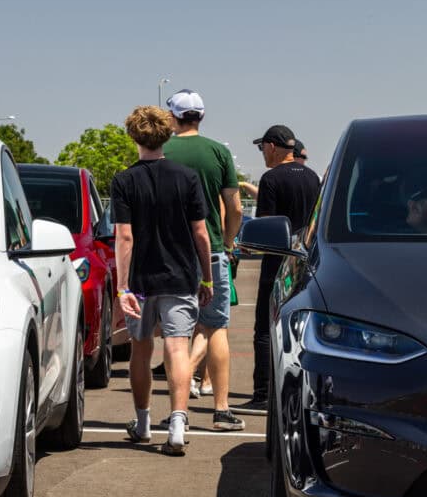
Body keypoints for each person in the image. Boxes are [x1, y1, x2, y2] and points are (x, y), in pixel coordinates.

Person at [112, 106, 213, 456]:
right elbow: (201, 233)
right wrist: (208, 278)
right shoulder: (186, 178)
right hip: (180, 275)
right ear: (166, 135)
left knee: (141, 350)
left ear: (134, 136)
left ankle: (142, 424)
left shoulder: (124, 181)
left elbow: (124, 238)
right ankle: (177, 425)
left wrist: (122, 287)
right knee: (177, 347)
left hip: (140, 279)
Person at [162, 89, 245, 431]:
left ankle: (177, 408)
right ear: (202, 117)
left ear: (173, 117)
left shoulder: (162, 150)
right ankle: (221, 409)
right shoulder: (219, 152)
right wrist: (226, 242)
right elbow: (236, 208)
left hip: (170, 252)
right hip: (209, 247)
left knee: (175, 333)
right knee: (216, 325)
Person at [232, 125, 320, 415]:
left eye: (262, 148)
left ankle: (262, 394)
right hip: (307, 260)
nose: (262, 154)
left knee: (264, 328)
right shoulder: (313, 178)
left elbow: (264, 225)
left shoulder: (270, 179)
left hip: (277, 260)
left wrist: (248, 244)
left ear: (272, 147)